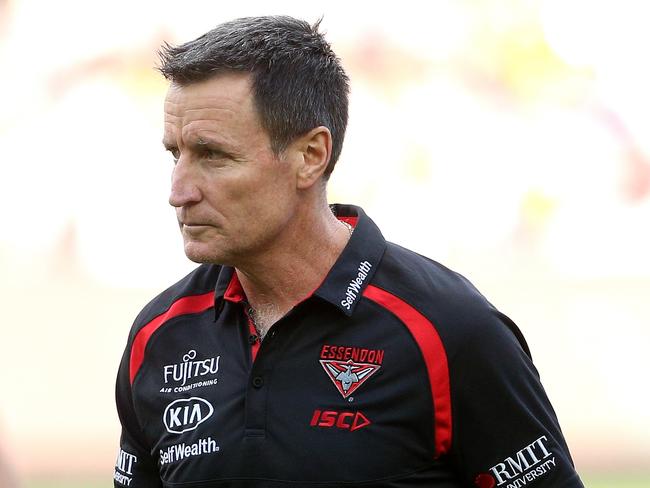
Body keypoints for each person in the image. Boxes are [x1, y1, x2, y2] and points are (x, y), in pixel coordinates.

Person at [114, 16, 584, 488]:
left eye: (213, 155)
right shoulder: (158, 336)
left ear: (311, 155)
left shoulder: (450, 329)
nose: (179, 191)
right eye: (175, 155)